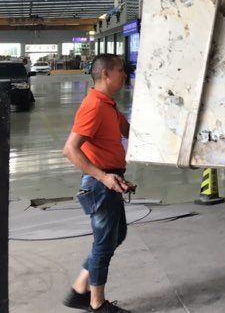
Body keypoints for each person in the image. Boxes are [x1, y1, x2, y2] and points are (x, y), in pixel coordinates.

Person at [62, 54, 135, 313]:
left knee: (117, 235)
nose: (124, 75)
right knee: (104, 243)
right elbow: (70, 149)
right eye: (120, 70)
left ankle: (79, 289)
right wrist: (104, 177)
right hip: (100, 184)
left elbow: (130, 132)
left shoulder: (108, 105)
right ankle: (96, 303)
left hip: (111, 180)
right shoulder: (93, 106)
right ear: (105, 74)